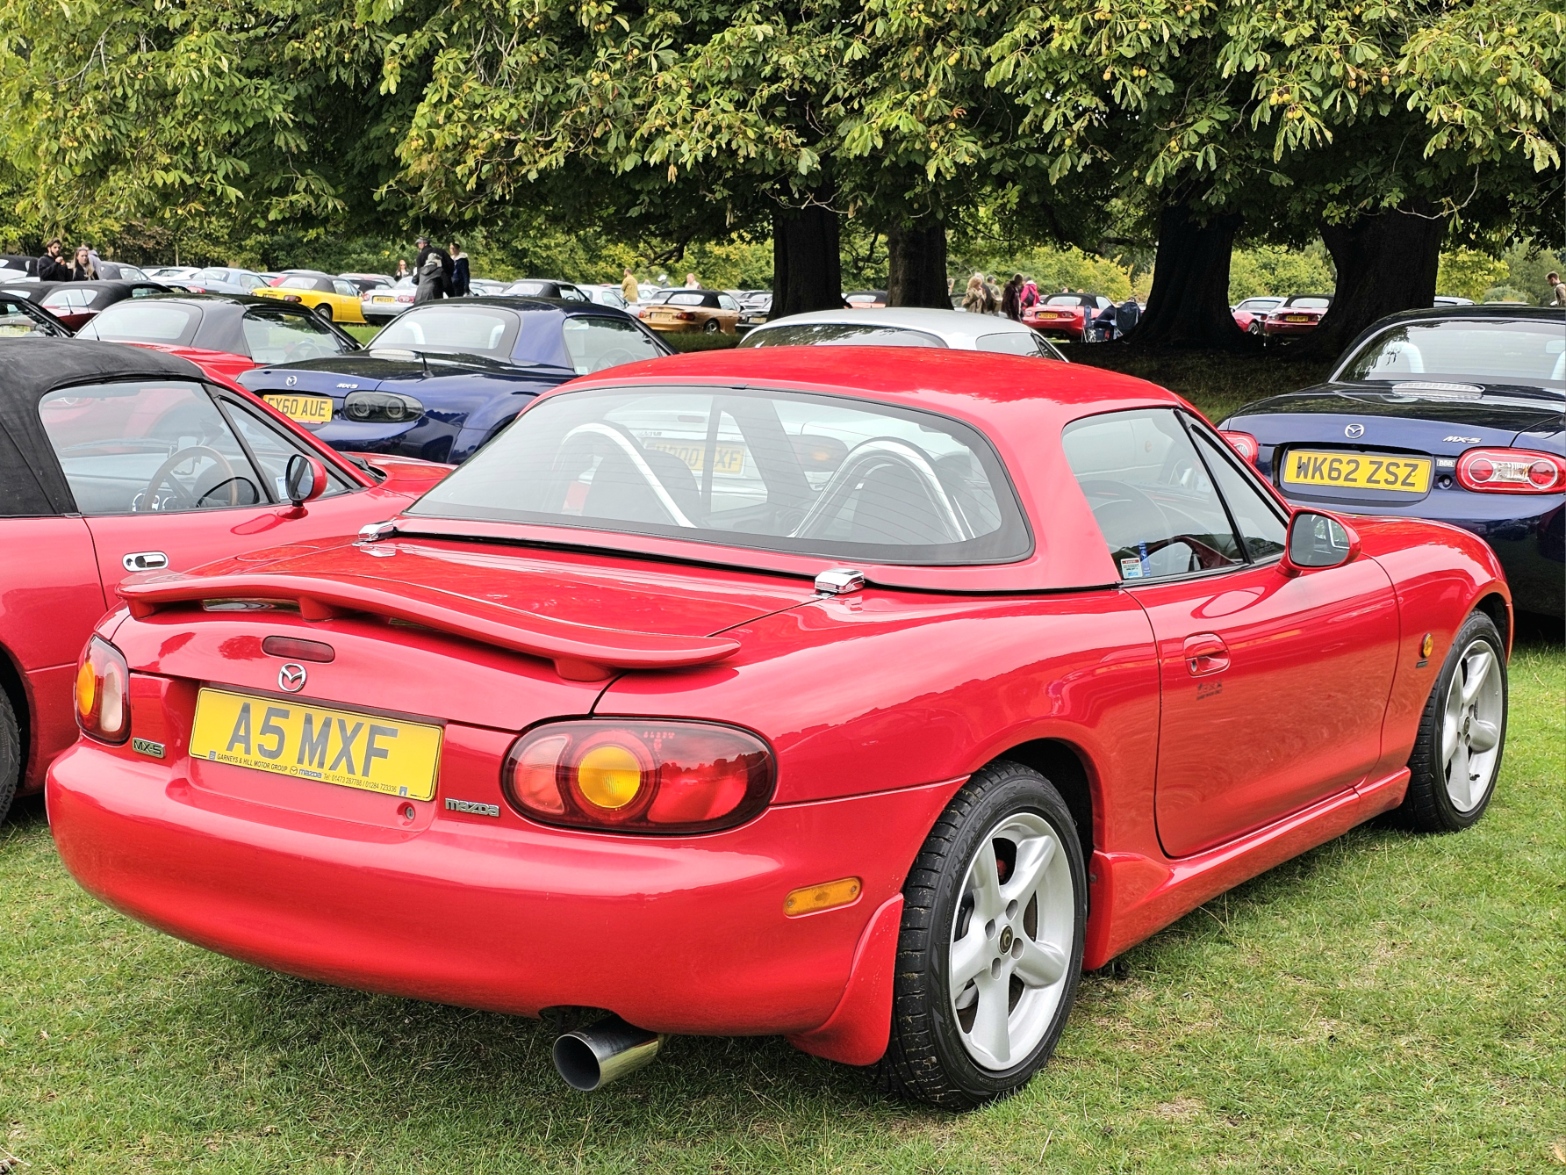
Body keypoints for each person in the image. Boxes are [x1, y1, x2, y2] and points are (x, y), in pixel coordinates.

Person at [413, 235, 445, 303]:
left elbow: (416, 279)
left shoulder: (420, 258)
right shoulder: (440, 270)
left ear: (425, 243)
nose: (418, 245)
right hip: (435, 292)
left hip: (420, 293)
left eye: (419, 243)